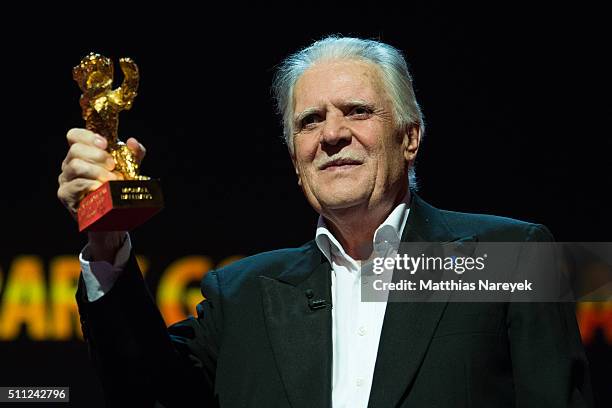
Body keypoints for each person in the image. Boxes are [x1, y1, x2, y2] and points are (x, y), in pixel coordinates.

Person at [57, 36, 592, 407]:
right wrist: (106, 243)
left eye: (357, 111)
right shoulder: (242, 294)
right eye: (310, 121)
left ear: (410, 137)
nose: (331, 134)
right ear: (295, 157)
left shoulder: (511, 255)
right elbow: (145, 394)